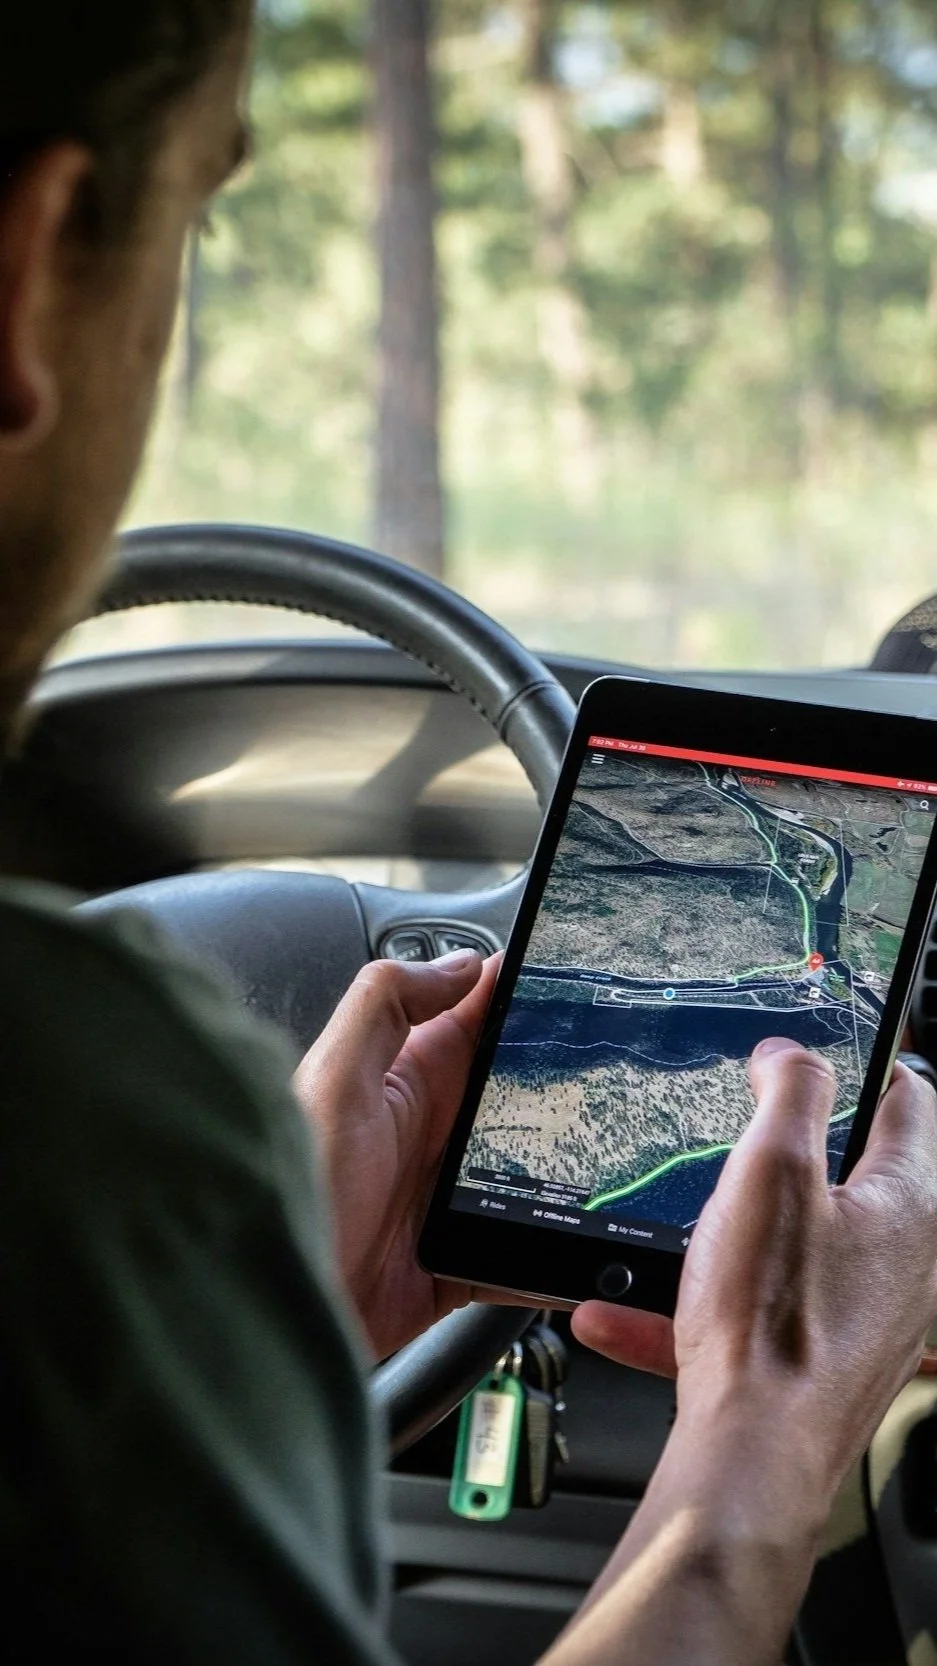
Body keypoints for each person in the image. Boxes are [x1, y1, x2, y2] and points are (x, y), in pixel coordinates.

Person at [1, 6, 936, 1663]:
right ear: (30, 266)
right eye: (196, 220)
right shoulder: (77, 1108)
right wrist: (771, 1441)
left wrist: (268, 1316)